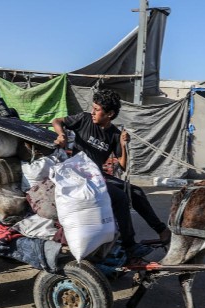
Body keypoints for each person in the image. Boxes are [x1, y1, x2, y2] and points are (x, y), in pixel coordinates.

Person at [51, 89, 171, 259]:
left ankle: (162, 230)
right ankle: (130, 245)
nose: (93, 112)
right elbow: (57, 121)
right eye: (93, 108)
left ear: (110, 114)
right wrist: (61, 134)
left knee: (136, 191)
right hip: (79, 175)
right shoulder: (84, 119)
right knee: (120, 197)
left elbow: (122, 166)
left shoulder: (114, 134)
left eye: (97, 109)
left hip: (97, 176)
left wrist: (122, 144)